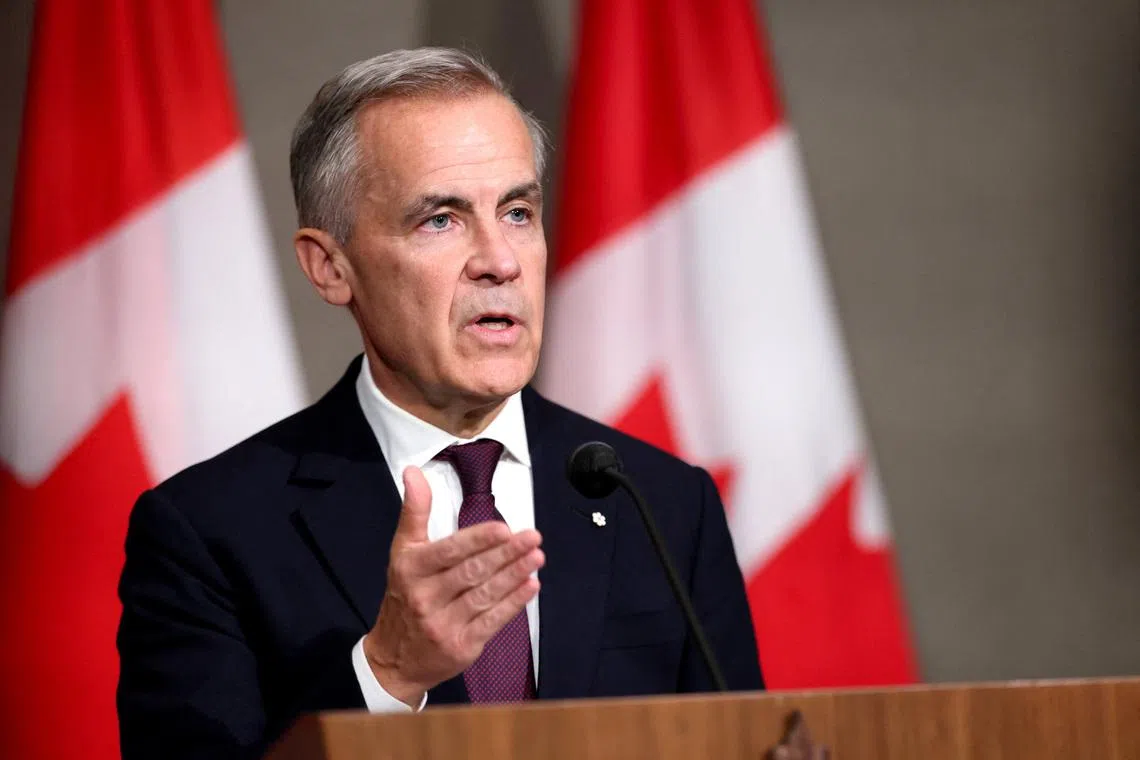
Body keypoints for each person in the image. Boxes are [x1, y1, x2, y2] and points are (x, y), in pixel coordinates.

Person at [116, 47, 763, 759]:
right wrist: (388, 673)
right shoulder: (209, 533)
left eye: (518, 212)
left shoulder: (666, 504)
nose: (501, 260)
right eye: (441, 221)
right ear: (331, 267)